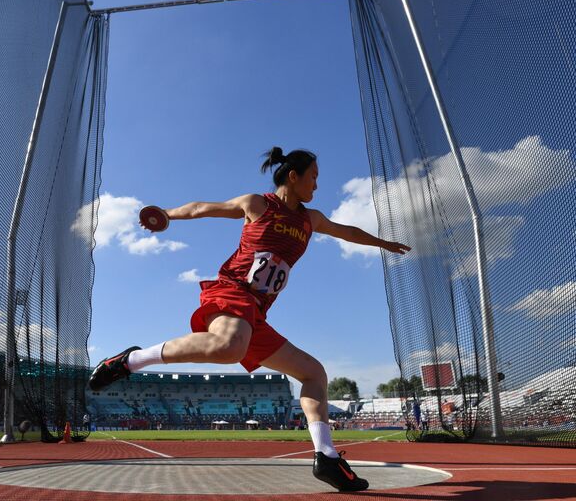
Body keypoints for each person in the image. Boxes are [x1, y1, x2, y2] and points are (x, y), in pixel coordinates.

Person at [88, 147, 410, 492]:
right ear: (293, 176)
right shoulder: (257, 204)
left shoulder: (310, 219)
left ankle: (327, 457)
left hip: (254, 313)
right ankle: (130, 360)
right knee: (229, 346)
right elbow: (201, 208)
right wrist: (167, 214)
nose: (317, 185)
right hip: (230, 292)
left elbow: (346, 231)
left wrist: (382, 243)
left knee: (313, 373)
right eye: (313, 177)